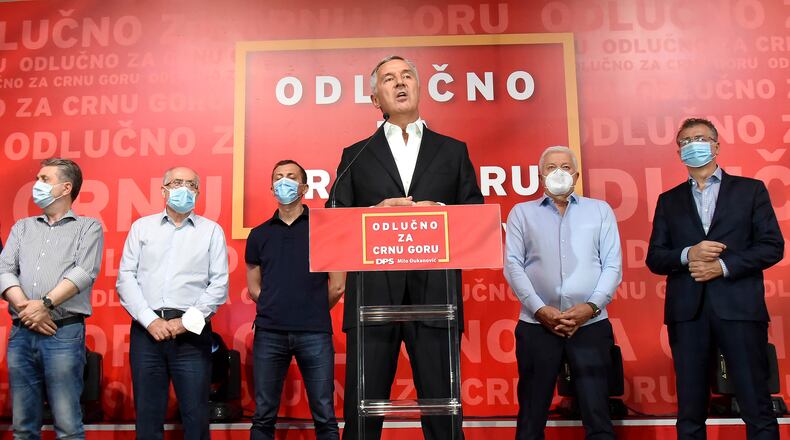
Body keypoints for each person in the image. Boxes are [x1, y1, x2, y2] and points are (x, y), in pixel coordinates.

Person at [326, 55, 483, 440]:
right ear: (374, 98)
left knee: (443, 414)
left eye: (407, 76)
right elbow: (334, 218)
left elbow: (475, 215)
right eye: (389, 79)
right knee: (363, 416)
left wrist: (441, 213)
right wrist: (374, 212)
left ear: (419, 86)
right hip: (373, 300)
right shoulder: (356, 154)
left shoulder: (452, 151)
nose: (400, 83)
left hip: (435, 297)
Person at [646, 118, 783, 440]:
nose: (694, 144)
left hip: (739, 310)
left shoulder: (750, 191)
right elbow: (655, 257)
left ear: (717, 145)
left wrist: (721, 267)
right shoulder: (669, 200)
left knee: (756, 405)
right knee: (690, 411)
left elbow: (772, 246)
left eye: (701, 138)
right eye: (686, 140)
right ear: (679, 151)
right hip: (688, 315)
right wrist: (688, 254)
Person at [504, 146, 622, 440]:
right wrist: (540, 310)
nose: (559, 173)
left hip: (591, 324)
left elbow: (612, 265)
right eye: (551, 167)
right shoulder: (522, 213)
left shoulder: (600, 211)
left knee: (597, 413)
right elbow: (513, 266)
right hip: (537, 326)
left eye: (566, 167)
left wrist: (591, 307)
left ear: (577, 175)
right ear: (541, 175)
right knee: (531, 416)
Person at [116, 166, 229, 440]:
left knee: (196, 416)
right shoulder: (141, 227)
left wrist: (185, 322)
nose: (184, 189)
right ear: (163, 190)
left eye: (191, 185)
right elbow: (125, 278)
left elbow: (219, 284)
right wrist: (150, 320)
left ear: (198, 193)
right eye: (177, 182)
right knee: (147, 416)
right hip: (147, 331)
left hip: (191, 333)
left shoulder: (211, 231)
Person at [0, 158, 104, 439]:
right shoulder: (22, 227)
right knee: (22, 427)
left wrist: (44, 305)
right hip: (22, 332)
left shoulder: (88, 227)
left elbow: (84, 272)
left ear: (65, 187)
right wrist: (27, 310)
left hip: (63, 332)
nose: (37, 185)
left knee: (68, 426)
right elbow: (4, 269)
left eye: (45, 179)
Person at [246, 160, 344, 440]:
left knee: (325, 415)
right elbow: (254, 287)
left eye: (291, 176)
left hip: (315, 333)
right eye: (278, 177)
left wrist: (309, 309)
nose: (284, 182)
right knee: (263, 415)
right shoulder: (259, 234)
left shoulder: (325, 228)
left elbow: (337, 286)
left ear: (304, 186)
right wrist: (279, 307)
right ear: (271, 187)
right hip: (269, 332)